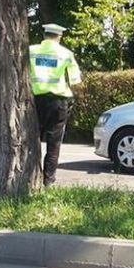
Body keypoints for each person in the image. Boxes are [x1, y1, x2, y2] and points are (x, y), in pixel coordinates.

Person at [29, 23, 82, 185]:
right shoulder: (66, 54)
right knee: (54, 143)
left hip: (34, 101)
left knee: (32, 140)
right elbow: (75, 80)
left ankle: (30, 176)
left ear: (45, 35)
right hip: (57, 102)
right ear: (59, 37)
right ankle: (48, 181)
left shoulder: (30, 51)